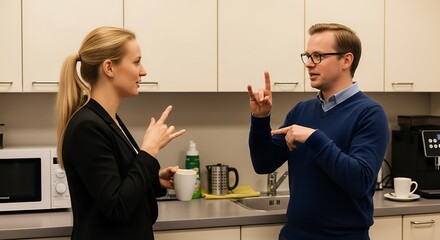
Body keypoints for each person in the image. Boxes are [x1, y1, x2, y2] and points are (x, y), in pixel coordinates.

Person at [247, 23, 389, 240]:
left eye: (318, 56)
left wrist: (315, 138)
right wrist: (260, 119)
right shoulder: (301, 111)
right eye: (307, 56)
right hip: (293, 235)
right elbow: (263, 164)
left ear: (346, 60)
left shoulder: (370, 114)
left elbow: (360, 181)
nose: (309, 64)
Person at [56, 26, 186, 240]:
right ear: (109, 67)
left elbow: (120, 183)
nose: (143, 71)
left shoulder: (108, 119)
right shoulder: (87, 127)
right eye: (136, 62)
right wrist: (148, 151)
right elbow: (116, 206)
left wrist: (155, 180)